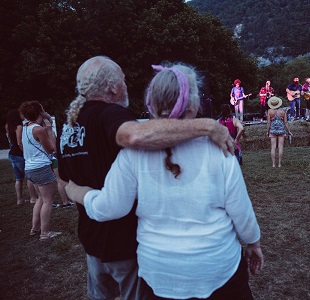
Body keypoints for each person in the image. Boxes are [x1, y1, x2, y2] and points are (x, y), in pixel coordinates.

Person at [65, 63, 264, 299]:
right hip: (218, 269)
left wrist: (78, 192)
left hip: (160, 276)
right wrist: (253, 243)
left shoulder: (131, 155)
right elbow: (241, 211)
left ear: (151, 103)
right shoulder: (219, 148)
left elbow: (109, 208)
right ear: (194, 103)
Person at [19, 101, 61, 241]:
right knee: (48, 200)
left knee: (40, 199)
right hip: (41, 168)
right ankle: (45, 233)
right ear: (39, 112)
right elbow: (51, 149)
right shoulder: (39, 130)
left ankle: (35, 228)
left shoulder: (25, 127)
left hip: (30, 168)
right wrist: (49, 130)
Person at [5, 109, 37, 205]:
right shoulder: (19, 126)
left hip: (12, 154)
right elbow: (19, 142)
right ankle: (33, 198)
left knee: (18, 178)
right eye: (19, 114)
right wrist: (26, 152)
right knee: (29, 177)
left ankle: (19, 199)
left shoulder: (7, 126)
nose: (21, 115)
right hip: (19, 154)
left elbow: (11, 141)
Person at [267, 97, 292, 168]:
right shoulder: (283, 111)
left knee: (273, 147)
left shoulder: (269, 111)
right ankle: (279, 164)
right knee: (280, 147)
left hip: (272, 130)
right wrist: (289, 131)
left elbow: (268, 123)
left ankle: (273, 164)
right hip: (281, 130)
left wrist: (267, 131)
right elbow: (286, 122)